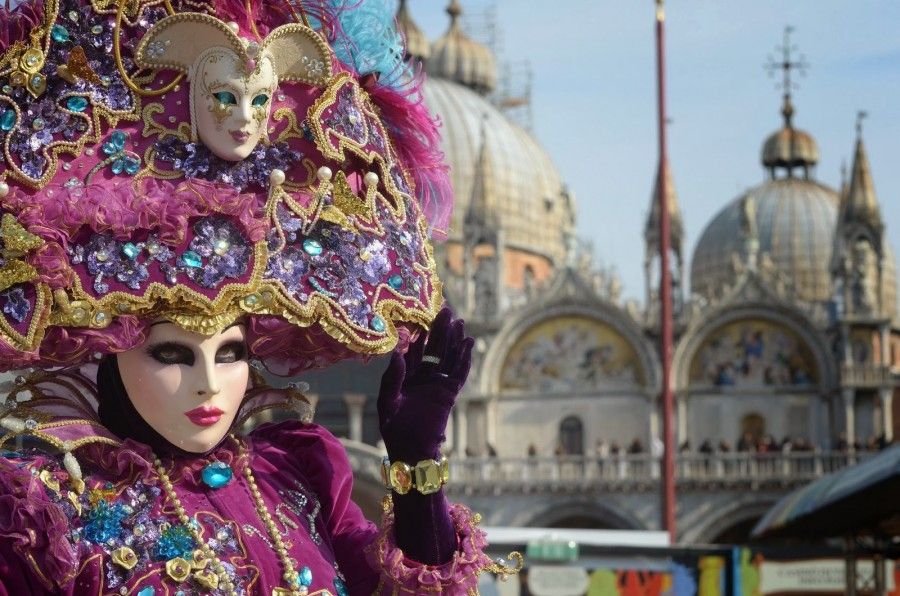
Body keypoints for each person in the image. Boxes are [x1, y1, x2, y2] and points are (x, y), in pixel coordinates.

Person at [0, 0, 521, 593]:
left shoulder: (293, 474)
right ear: (111, 351)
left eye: (230, 354)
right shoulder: (41, 508)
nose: (208, 384)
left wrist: (416, 465)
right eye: (172, 354)